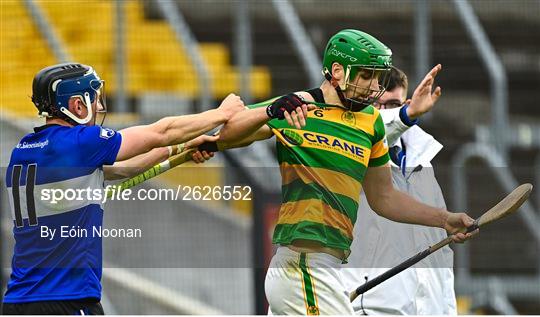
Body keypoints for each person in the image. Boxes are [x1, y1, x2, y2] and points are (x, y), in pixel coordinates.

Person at [200, 29, 477, 315]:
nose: (373, 87)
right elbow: (227, 134)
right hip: (302, 265)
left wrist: (444, 219)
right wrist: (271, 110)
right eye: (366, 75)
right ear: (337, 70)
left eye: (378, 78)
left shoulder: (370, 123)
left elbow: (384, 197)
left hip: (330, 269)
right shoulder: (299, 105)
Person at [0, 62, 255, 314]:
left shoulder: (24, 151)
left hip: (19, 301)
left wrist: (182, 150)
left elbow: (124, 169)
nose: (99, 106)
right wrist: (221, 113)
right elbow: (162, 132)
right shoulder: (79, 144)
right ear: (77, 105)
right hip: (66, 298)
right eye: (93, 98)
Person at [341, 67, 457, 315]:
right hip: (369, 308)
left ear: (405, 101)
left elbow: (441, 252)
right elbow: (377, 132)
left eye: (393, 105)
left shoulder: (424, 161)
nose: (384, 113)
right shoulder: (350, 149)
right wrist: (405, 115)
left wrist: (446, 310)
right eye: (376, 106)